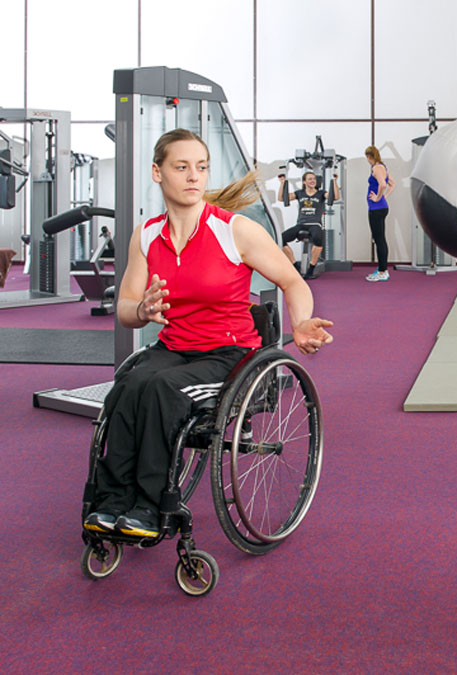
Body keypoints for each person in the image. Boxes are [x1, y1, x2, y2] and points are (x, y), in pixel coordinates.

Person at [83, 128, 334, 538]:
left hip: (228, 355)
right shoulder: (147, 236)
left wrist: (302, 322)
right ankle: (110, 502)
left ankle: (149, 507)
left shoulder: (233, 231)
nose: (193, 177)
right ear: (157, 172)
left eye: (201, 167)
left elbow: (294, 282)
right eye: (181, 167)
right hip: (174, 347)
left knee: (164, 390)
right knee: (127, 387)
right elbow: (126, 308)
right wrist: (143, 309)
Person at [278, 169, 340, 279]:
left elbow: (335, 197)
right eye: (310, 179)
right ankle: (294, 265)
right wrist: (282, 183)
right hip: (301, 224)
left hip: (315, 224)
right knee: (280, 239)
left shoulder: (321, 193)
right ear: (304, 182)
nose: (312, 181)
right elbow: (282, 198)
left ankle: (311, 268)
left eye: (314, 179)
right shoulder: (299, 193)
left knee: (318, 238)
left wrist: (334, 181)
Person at [364, 145, 395, 282]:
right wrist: (384, 197)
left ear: (369, 156)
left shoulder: (376, 168)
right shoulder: (383, 167)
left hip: (377, 209)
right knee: (380, 239)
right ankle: (382, 269)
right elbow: (392, 184)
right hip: (380, 208)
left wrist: (378, 198)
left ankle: (383, 271)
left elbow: (383, 184)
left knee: (379, 240)